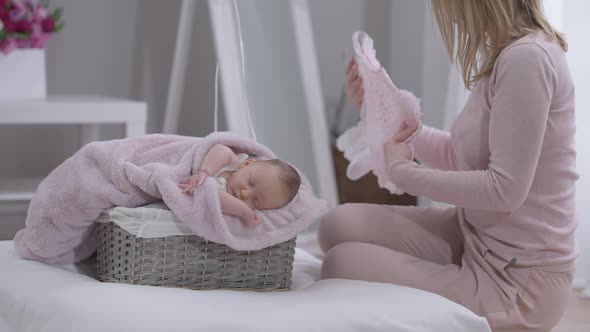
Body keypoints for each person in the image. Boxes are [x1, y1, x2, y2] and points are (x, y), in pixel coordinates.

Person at [318, 0, 577, 330]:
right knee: (335, 225)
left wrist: (404, 173)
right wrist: (383, 109)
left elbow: (504, 191)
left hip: (516, 282)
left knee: (340, 263)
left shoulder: (527, 59)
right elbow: (459, 156)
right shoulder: (509, 52)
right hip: (480, 239)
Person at [180, 144, 301, 227]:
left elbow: (214, 196)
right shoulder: (234, 162)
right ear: (246, 164)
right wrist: (205, 172)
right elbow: (221, 149)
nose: (245, 193)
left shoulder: (227, 198)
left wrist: (244, 212)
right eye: (250, 182)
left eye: (255, 201)